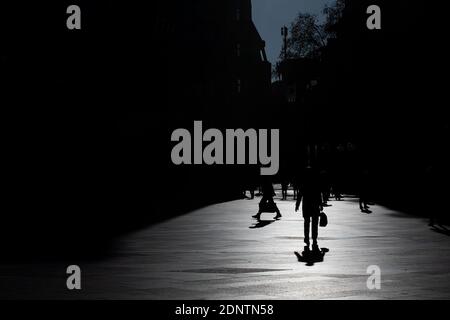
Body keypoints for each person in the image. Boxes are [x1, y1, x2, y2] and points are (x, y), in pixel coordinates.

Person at [296, 167, 323, 252]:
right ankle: (314, 239)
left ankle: (307, 238)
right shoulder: (316, 183)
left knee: (306, 223)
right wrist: (320, 204)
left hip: (306, 206)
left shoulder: (304, 183)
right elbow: (319, 194)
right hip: (315, 206)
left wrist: (297, 205)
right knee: (314, 224)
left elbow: (300, 195)